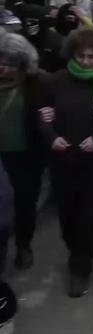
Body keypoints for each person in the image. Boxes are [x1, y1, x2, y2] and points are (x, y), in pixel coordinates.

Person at [39, 27, 93, 297]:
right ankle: (76, 251)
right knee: (67, 216)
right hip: (63, 161)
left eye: (92, 56)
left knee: (88, 217)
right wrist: (52, 137)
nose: (86, 61)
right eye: (81, 56)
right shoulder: (58, 80)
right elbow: (41, 115)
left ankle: (81, 268)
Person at [0, 32, 46, 271]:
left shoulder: (38, 82)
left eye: (8, 63)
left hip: (26, 156)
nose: (2, 68)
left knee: (25, 202)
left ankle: (23, 245)